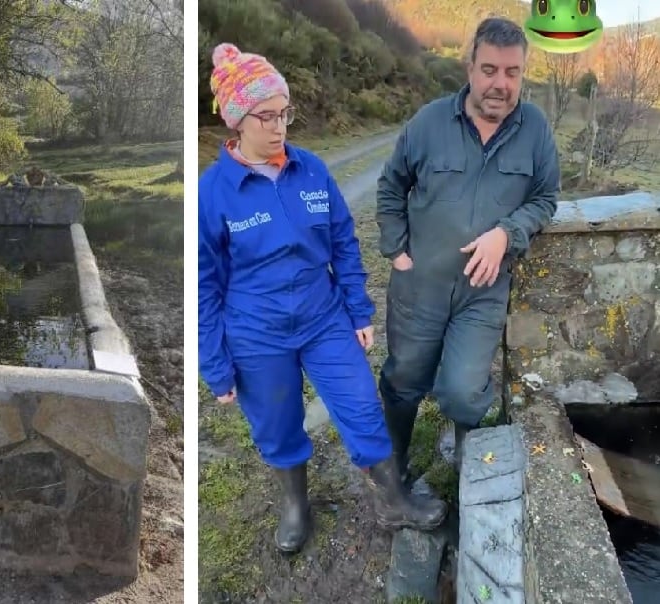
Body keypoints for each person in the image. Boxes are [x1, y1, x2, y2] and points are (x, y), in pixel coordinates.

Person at [198, 42, 447, 554]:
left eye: (284, 112)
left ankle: (392, 498)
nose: (279, 125)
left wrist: (357, 307)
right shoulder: (213, 192)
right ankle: (295, 505)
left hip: (322, 316)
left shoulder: (310, 169)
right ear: (236, 121)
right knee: (277, 421)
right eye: (266, 115)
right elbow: (205, 285)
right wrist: (215, 361)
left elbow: (342, 241)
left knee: (360, 403)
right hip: (256, 332)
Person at [376, 17, 560, 482]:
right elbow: (391, 186)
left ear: (523, 73)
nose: (501, 83)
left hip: (482, 292)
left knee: (462, 392)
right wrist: (396, 250)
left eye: (512, 72)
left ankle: (467, 471)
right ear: (470, 68)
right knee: (403, 382)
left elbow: (545, 198)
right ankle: (395, 462)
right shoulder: (429, 123)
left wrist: (507, 233)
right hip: (420, 286)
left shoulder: (535, 129)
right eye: (490, 69)